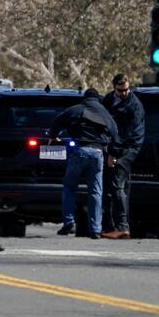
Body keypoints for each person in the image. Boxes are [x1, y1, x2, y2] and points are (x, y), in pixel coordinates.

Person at [49, 88, 119, 239]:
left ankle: (69, 222)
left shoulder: (76, 109)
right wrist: (112, 154)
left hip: (79, 151)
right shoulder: (105, 113)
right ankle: (95, 229)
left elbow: (57, 123)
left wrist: (53, 136)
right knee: (96, 192)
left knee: (69, 188)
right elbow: (115, 134)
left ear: (85, 98)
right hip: (98, 154)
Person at [101, 73, 145, 239]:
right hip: (112, 145)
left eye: (126, 90)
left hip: (128, 147)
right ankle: (109, 225)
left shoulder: (134, 105)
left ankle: (122, 226)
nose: (124, 93)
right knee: (109, 187)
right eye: (120, 91)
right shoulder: (108, 100)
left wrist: (113, 153)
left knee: (117, 184)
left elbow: (127, 134)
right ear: (114, 88)